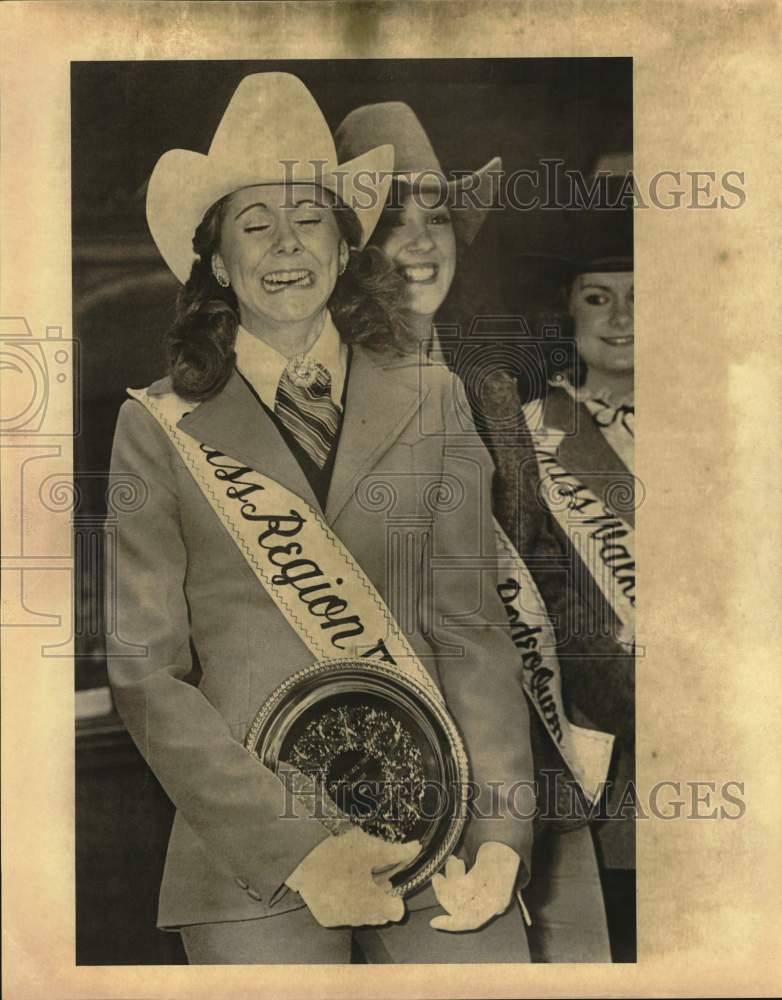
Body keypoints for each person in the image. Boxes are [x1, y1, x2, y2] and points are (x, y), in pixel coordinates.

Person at [106, 72, 536, 965]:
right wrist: (301, 848)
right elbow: (149, 678)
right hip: (251, 862)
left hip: (444, 838)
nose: (286, 246)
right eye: (254, 225)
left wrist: (500, 838)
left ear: (345, 249)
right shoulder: (158, 426)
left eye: (311, 220)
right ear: (217, 263)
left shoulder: (435, 398)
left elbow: (472, 633)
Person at [336, 102, 612, 962]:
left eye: (438, 215)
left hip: (532, 762)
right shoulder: (326, 396)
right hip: (403, 772)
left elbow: (543, 577)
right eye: (393, 220)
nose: (423, 240)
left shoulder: (488, 388)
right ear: (347, 249)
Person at [516, 155, 636, 961]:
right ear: (568, 308)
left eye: (640, 299)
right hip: (604, 754)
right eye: (599, 297)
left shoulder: (735, 421)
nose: (621, 318)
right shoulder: (528, 433)